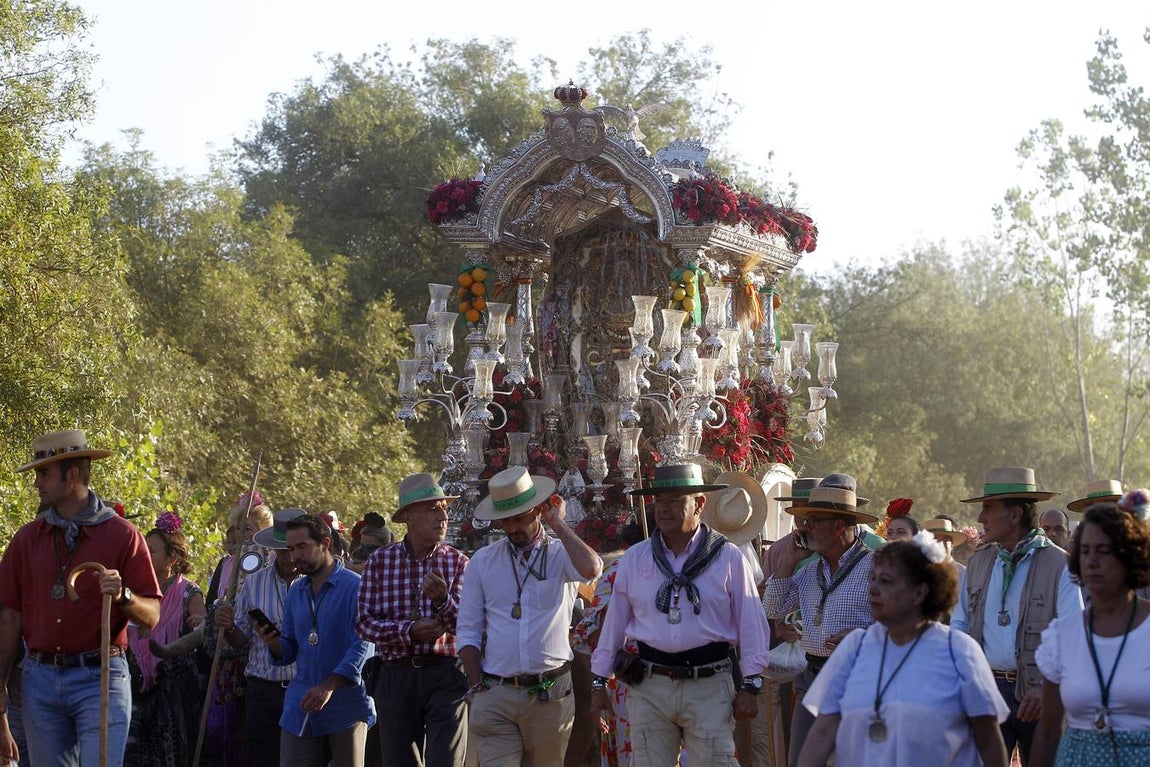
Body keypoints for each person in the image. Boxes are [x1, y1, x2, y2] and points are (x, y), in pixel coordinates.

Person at [589, 465, 772, 766]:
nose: (664, 509)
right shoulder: (636, 558)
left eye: (675, 500)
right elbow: (614, 626)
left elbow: (752, 624)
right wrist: (598, 683)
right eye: (660, 501)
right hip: (649, 684)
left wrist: (751, 684)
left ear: (699, 504)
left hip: (709, 683)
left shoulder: (727, 557)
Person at [0, 430, 162, 766]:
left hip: (100, 676)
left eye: (43, 473)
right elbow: (10, 618)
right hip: (40, 680)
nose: (37, 483)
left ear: (72, 474)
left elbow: (152, 615)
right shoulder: (27, 540)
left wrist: (123, 595)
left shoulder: (123, 534)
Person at [798, 534, 1010, 766]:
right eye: (873, 579)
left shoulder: (959, 651)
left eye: (886, 581)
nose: (873, 589)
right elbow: (822, 734)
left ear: (919, 593)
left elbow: (989, 741)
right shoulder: (854, 647)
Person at [456, 467, 602, 767]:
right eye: (505, 520)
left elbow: (592, 570)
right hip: (495, 694)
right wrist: (476, 686)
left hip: (550, 695)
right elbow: (468, 630)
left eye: (519, 517)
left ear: (538, 510)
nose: (512, 528)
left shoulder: (561, 553)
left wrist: (558, 524)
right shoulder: (483, 561)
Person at [951, 466, 1083, 767]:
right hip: (986, 691)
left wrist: (1047, 687)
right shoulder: (979, 561)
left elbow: (1073, 633)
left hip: (1039, 696)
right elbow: (959, 623)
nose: (981, 518)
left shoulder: (1059, 564)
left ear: (1015, 515)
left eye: (988, 509)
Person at [762, 476, 879, 767]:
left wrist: (863, 634)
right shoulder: (810, 567)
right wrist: (788, 561)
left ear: (839, 526)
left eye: (814, 520)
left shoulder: (877, 565)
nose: (805, 527)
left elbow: (904, 623)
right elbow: (772, 608)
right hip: (812, 677)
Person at [356, 473, 469, 767]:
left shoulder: (457, 561)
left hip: (446, 672)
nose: (443, 516)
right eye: (433, 508)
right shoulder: (380, 561)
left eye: (444, 508)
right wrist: (409, 631)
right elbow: (363, 623)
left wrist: (443, 601)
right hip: (395, 674)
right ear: (408, 516)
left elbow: (467, 627)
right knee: (399, 761)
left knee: (445, 761)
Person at [1032, 495, 1150, 765]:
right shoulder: (1063, 635)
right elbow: (1048, 732)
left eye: (1104, 551)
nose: (1092, 561)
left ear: (1130, 557)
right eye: (1085, 551)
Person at [255, 514, 376, 767]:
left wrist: (329, 685)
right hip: (300, 704)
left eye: (302, 547)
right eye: (290, 549)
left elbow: (364, 644)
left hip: (346, 704)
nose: (294, 556)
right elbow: (289, 648)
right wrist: (273, 642)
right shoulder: (296, 593)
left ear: (325, 544)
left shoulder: (355, 587)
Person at [211, 508, 304, 767]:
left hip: (301, 688)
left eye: (296, 548)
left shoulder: (313, 583)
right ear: (275, 549)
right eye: (284, 549)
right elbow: (242, 640)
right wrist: (228, 627)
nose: (290, 556)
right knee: (263, 758)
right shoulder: (254, 583)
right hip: (262, 689)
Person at [125, 512, 207, 767]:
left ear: (173, 557)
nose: (146, 556)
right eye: (144, 550)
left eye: (153, 551)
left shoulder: (189, 592)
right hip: (134, 685)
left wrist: (199, 624)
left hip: (174, 688)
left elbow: (202, 627)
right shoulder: (134, 592)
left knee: (171, 754)